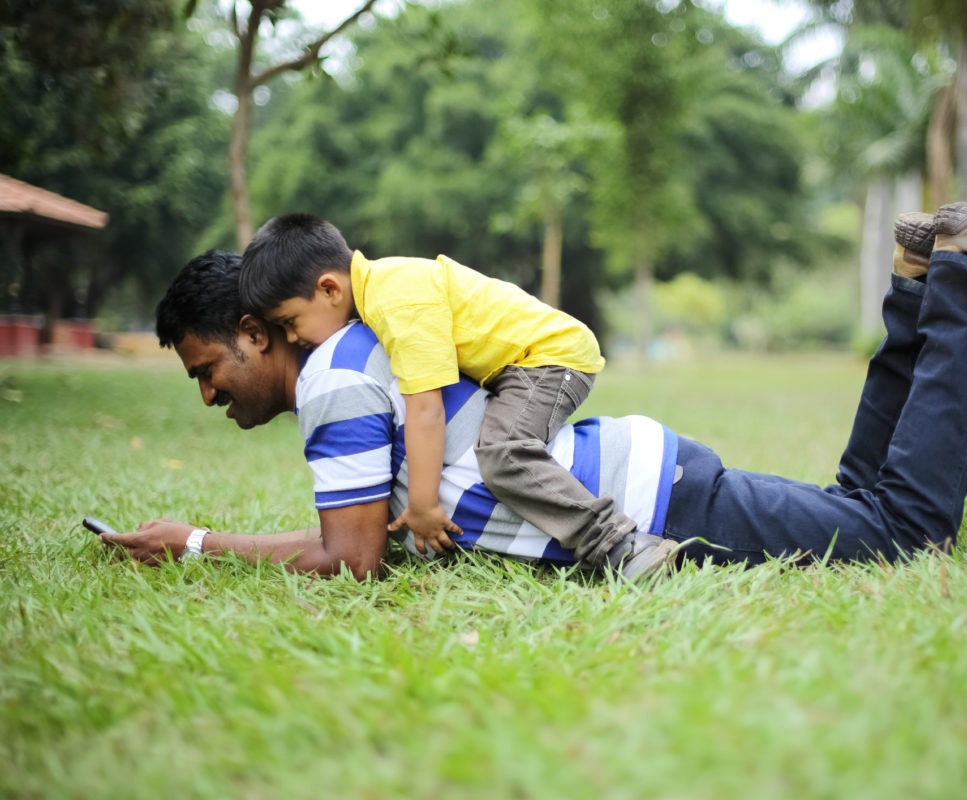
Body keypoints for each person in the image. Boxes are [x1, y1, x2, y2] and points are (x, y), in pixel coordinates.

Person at [103, 202, 967, 578]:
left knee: (906, 534)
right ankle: (918, 279)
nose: (209, 393)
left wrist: (193, 541)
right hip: (648, 467)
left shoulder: (332, 370)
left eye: (210, 368)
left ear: (257, 328)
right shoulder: (365, 334)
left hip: (651, 499)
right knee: (863, 508)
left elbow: (352, 554)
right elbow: (377, 527)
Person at [236, 214, 676, 579]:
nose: (293, 337)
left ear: (329, 289)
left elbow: (425, 409)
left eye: (290, 321)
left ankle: (619, 544)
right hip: (524, 363)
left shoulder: (395, 302)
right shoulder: (383, 290)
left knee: (504, 453)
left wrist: (424, 505)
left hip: (548, 358)